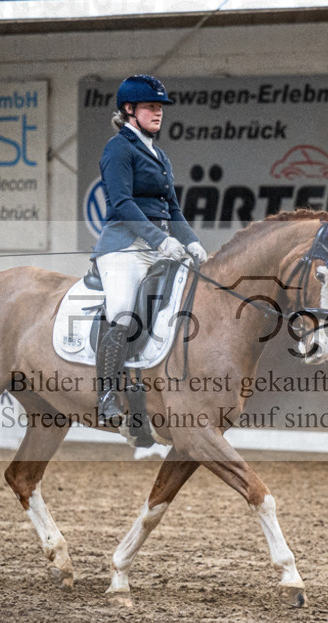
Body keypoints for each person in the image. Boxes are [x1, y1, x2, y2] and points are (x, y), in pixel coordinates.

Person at [92, 74, 208, 425]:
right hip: (123, 248)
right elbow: (122, 203)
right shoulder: (118, 148)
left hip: (160, 248)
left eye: (160, 108)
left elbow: (172, 209)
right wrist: (161, 240)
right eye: (150, 107)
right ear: (130, 110)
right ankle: (108, 394)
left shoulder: (160, 155)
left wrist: (192, 242)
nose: (158, 113)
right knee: (125, 313)